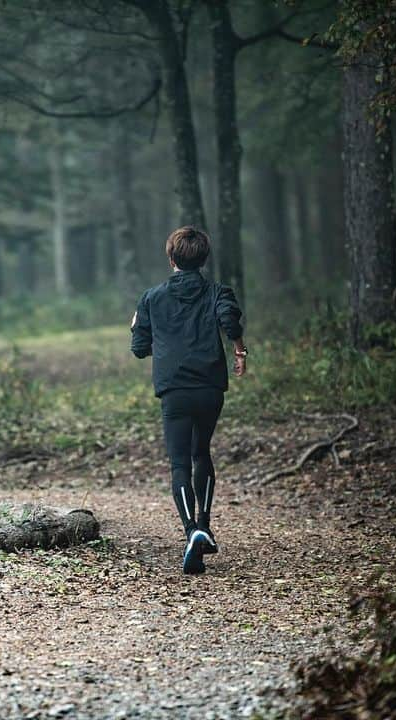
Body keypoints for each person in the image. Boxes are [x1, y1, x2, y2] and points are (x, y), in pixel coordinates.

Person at [130, 226, 246, 575]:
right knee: (202, 452)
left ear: (171, 258)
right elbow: (229, 319)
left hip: (174, 389)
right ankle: (205, 524)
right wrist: (239, 350)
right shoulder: (218, 291)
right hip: (210, 386)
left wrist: (151, 336)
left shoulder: (151, 297)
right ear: (204, 258)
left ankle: (190, 531)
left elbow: (138, 349)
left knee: (180, 461)